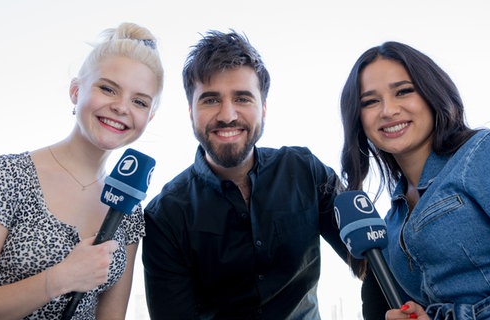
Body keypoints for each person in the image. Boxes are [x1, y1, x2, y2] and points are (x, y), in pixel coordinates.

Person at [142, 30, 350, 319]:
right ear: (190, 111)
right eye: (211, 100)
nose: (228, 114)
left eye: (242, 98)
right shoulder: (164, 215)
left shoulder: (305, 170)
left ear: (263, 108)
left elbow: (371, 260)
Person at [0, 22, 163, 319]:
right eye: (108, 88)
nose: (122, 107)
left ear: (150, 115)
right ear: (75, 90)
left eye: (139, 101)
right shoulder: (4, 176)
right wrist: (61, 278)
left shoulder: (129, 209)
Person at [339, 40, 490, 320]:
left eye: (403, 91)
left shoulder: (485, 151)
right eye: (370, 101)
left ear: (432, 93)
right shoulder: (392, 223)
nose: (388, 110)